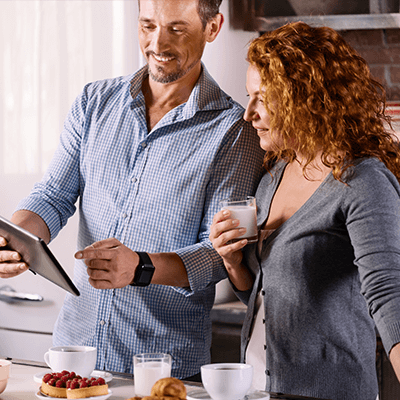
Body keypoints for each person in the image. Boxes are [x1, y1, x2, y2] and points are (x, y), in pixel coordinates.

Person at [0, 0, 264, 379]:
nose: (157, 43)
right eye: (147, 25)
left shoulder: (233, 132)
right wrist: (17, 237)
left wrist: (139, 266)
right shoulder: (94, 102)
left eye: (176, 29)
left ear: (212, 27)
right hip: (75, 355)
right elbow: (53, 195)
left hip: (163, 367)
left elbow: (218, 254)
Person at [210, 21, 400, 400]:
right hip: (259, 390)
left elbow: (389, 294)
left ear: (306, 97)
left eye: (262, 98)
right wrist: (233, 263)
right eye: (250, 97)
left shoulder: (362, 181)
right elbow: (267, 296)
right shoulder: (273, 176)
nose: (249, 114)